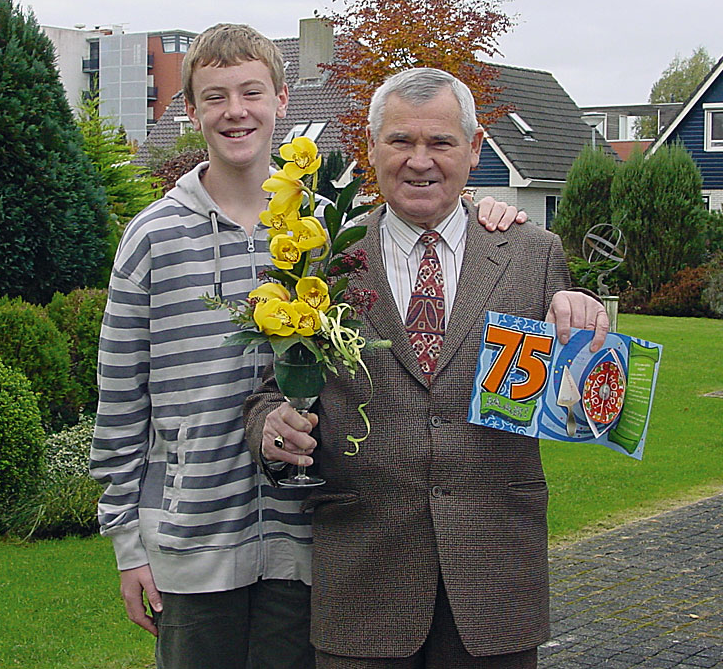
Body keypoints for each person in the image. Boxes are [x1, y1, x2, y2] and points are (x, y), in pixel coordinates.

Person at [89, 26, 535, 669]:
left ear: (283, 100)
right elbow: (120, 397)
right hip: (193, 539)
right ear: (190, 110)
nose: (235, 110)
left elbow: (426, 230)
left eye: (251, 92)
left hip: (307, 539)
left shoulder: (328, 231)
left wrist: (483, 207)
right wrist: (128, 543)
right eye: (215, 97)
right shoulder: (153, 237)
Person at [247, 66, 609, 669]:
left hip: (493, 584)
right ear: (371, 150)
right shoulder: (323, 257)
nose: (420, 160)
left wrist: (587, 327)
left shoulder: (532, 252)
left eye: (440, 142)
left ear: (473, 149)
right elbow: (271, 387)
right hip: (366, 581)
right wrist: (270, 425)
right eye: (401, 141)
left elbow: (577, 398)